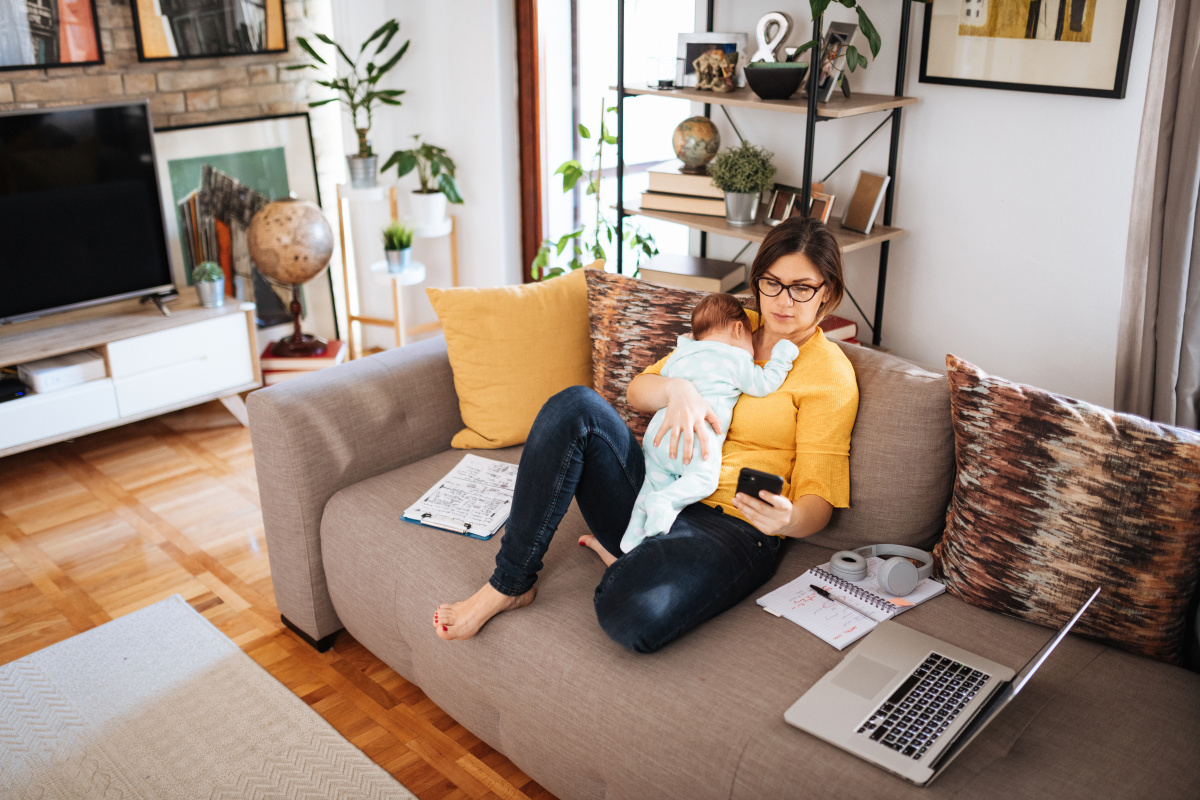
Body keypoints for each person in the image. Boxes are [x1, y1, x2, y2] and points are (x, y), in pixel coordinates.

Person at [433, 216, 859, 653]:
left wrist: (788, 519)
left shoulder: (829, 375)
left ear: (827, 291)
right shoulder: (729, 324)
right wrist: (678, 390)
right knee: (575, 406)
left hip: (729, 526)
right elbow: (638, 390)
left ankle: (626, 559)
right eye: (772, 282)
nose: (783, 301)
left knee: (630, 614)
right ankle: (510, 584)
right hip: (654, 487)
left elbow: (818, 502)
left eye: (802, 287)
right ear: (758, 279)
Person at [606, 293, 799, 560]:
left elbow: (650, 383)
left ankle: (631, 543)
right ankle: (664, 504)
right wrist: (783, 355)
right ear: (738, 328)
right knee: (703, 480)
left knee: (651, 484)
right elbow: (763, 385)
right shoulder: (736, 359)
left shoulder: (681, 354)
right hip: (695, 442)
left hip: (658, 437)